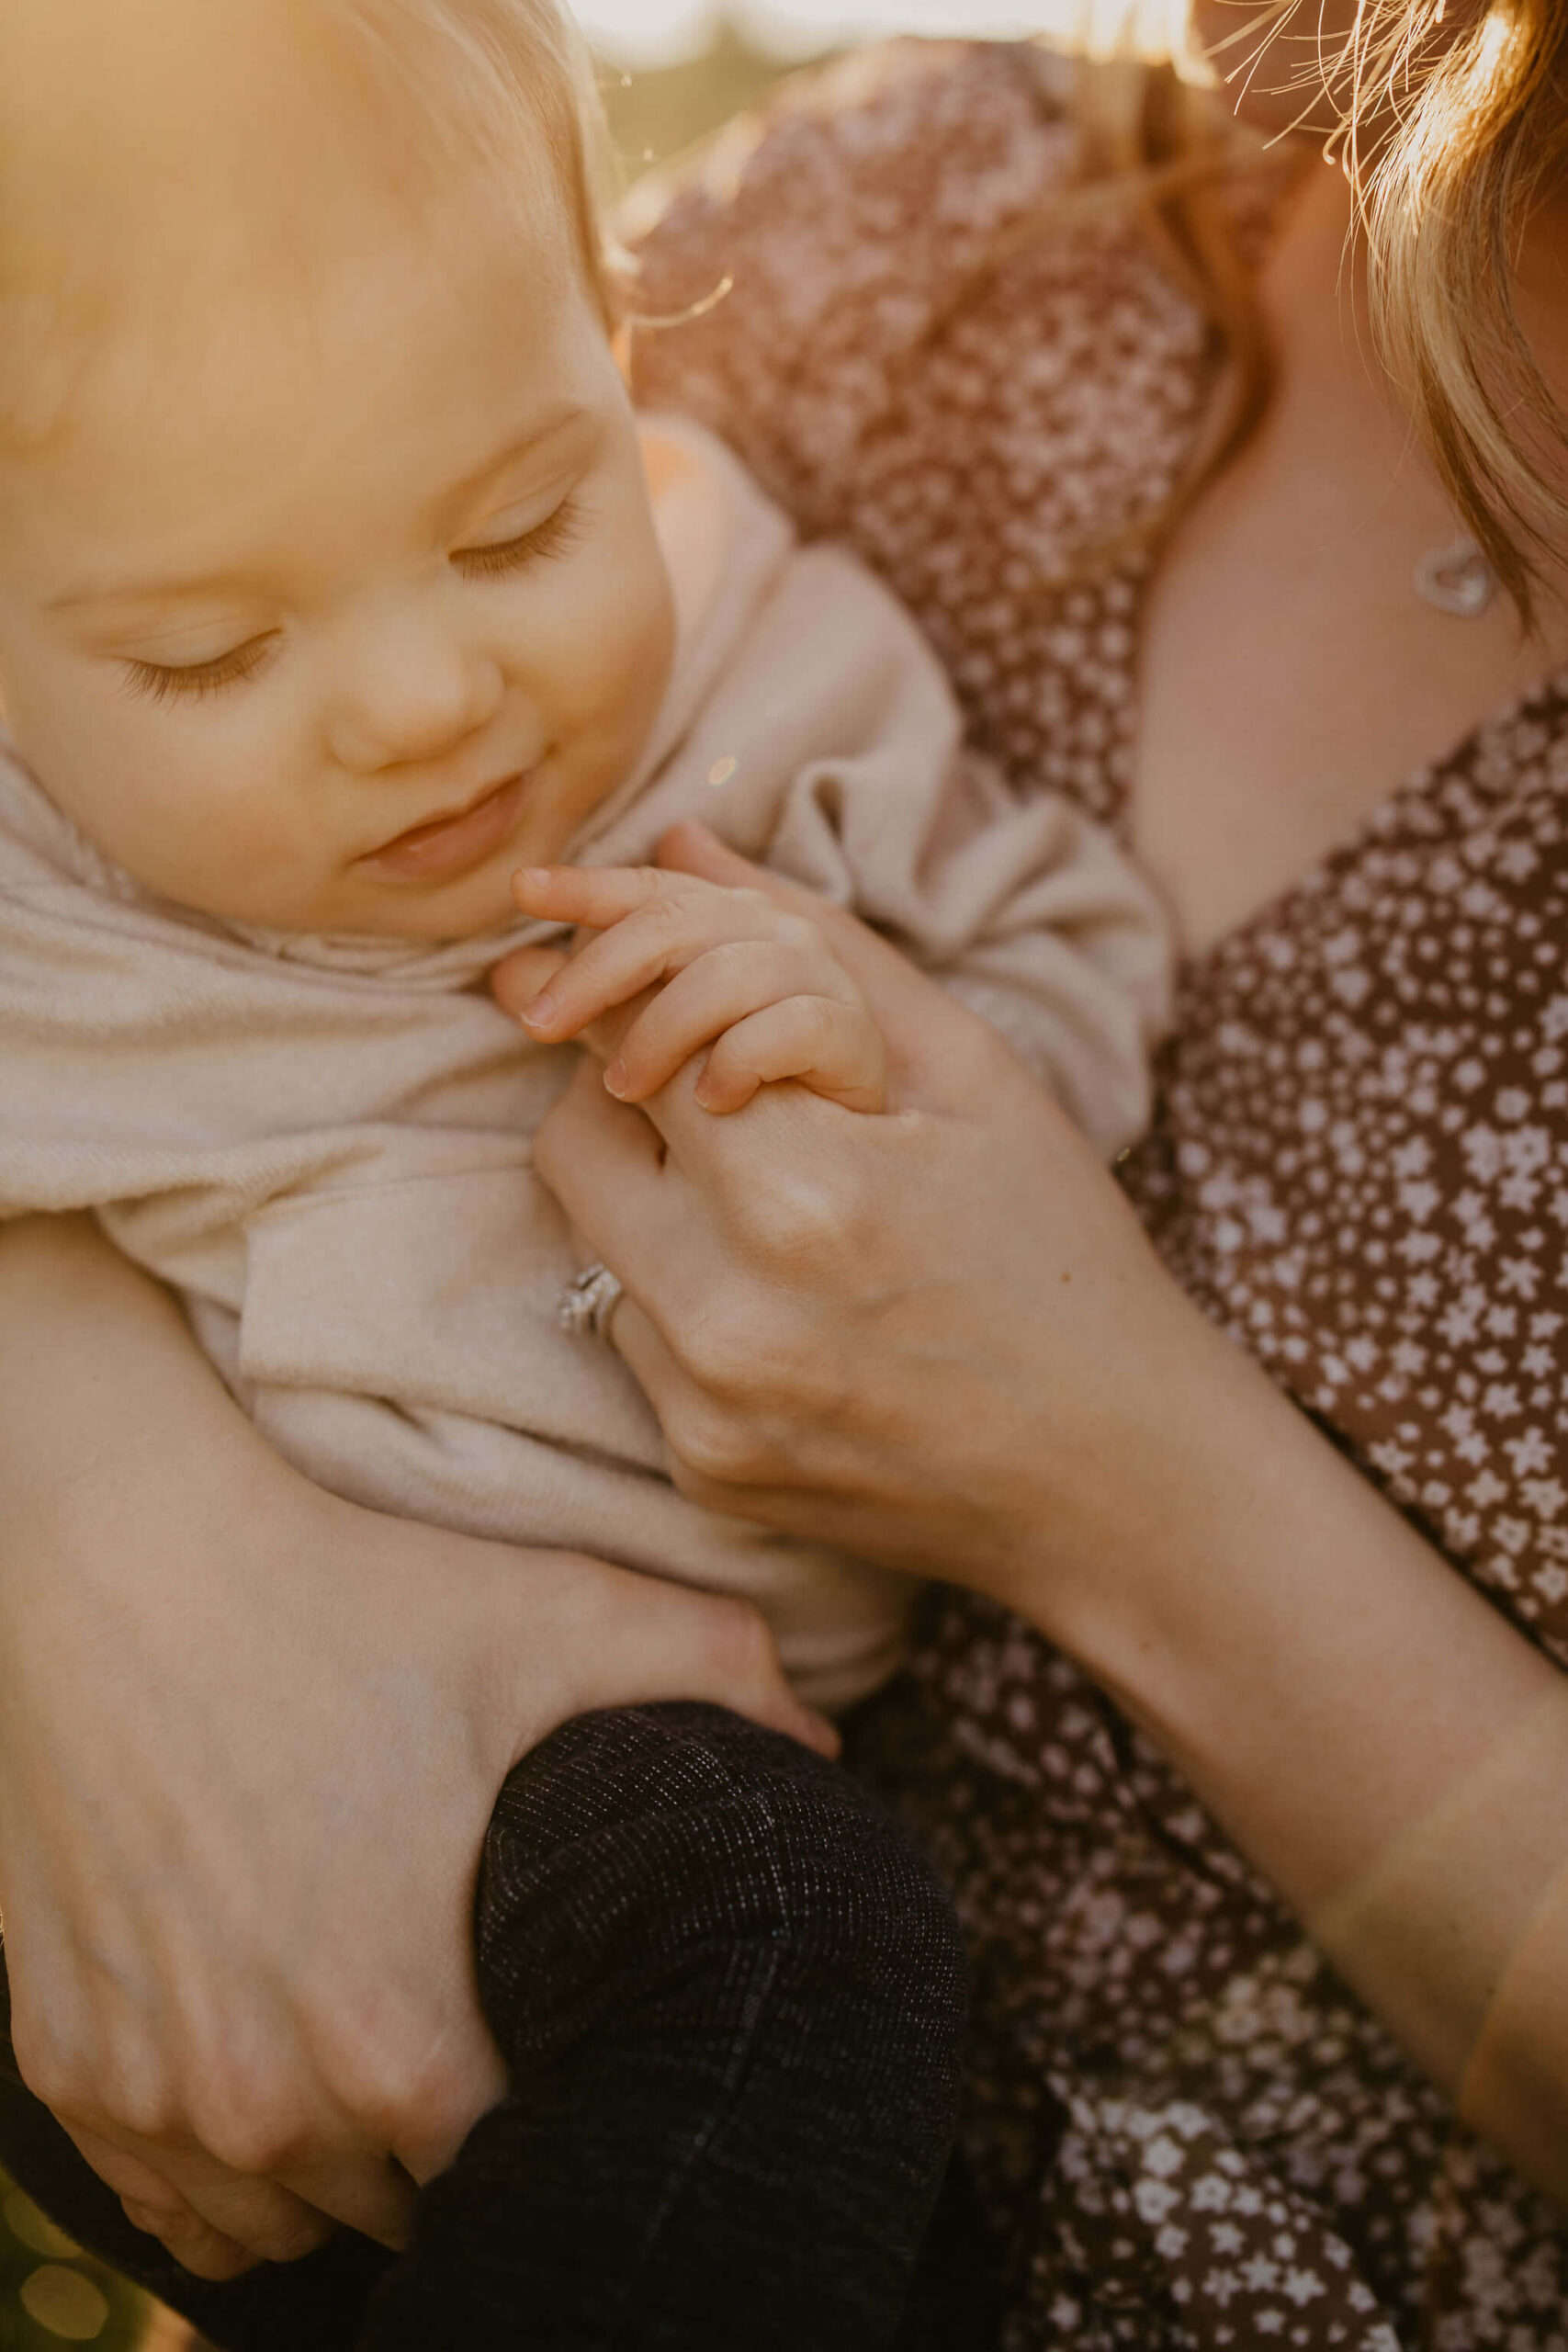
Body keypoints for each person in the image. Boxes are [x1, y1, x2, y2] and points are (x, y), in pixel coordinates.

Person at [3, 6, 1566, 2352]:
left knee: (784, 1959)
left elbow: (1045, 933)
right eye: (212, 653)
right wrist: (86, 1516)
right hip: (149, 1809)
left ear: (616, 384)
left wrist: (887, 1051)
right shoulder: (915, 222)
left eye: (526, 528)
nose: (426, 700)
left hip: (687, 1822)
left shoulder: (751, 656)